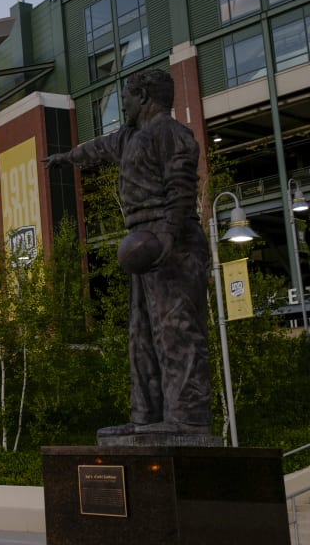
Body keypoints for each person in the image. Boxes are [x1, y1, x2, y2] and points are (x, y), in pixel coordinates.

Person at [44, 68, 211, 437]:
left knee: (177, 332)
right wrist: (66, 157)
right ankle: (146, 418)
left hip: (173, 245)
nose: (123, 103)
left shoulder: (171, 133)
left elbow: (181, 186)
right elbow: (97, 148)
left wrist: (167, 236)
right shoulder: (130, 137)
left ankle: (188, 419)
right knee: (142, 336)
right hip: (144, 246)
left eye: (126, 97)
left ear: (145, 97)